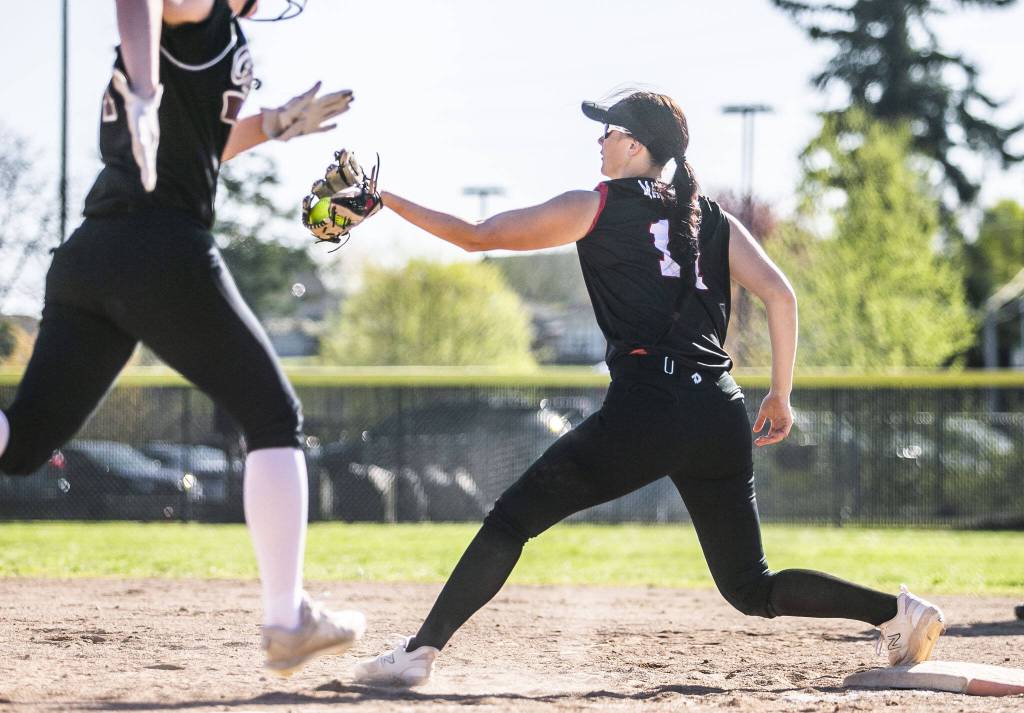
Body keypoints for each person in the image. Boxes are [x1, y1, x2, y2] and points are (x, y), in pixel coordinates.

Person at [346, 91, 946, 686]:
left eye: (607, 132)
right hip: (719, 407)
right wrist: (781, 394)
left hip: (648, 409)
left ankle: (418, 653)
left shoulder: (597, 205)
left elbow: (478, 236)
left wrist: (384, 199)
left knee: (510, 521)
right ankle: (894, 613)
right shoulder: (711, 216)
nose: (600, 141)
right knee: (749, 585)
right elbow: (781, 295)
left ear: (634, 145)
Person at [0, 0, 363, 677]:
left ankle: (291, 618)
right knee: (273, 416)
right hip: (160, 243)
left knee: (20, 444)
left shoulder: (219, 35)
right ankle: (287, 621)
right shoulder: (205, 12)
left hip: (94, 252)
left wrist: (276, 124)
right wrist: (142, 87)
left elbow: (202, 145)